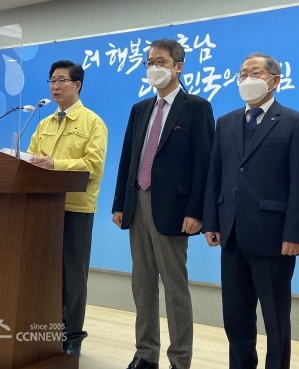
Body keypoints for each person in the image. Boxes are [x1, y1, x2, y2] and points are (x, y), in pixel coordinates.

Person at [202, 53, 299, 369]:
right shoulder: (226, 122)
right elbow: (215, 175)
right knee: (235, 316)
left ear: (274, 80)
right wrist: (211, 220)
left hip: (274, 238)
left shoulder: (295, 122)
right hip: (232, 233)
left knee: (275, 319)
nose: (247, 79)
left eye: (256, 72)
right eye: (243, 73)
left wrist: (295, 234)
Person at [112, 38, 214, 369]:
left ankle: (179, 359)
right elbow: (128, 159)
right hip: (137, 203)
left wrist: (196, 211)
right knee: (142, 285)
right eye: (150, 63)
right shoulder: (140, 109)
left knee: (174, 287)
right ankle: (145, 354)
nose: (154, 68)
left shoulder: (196, 107)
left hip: (173, 209)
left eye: (161, 62)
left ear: (178, 67)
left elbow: (204, 163)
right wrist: (119, 203)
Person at [27, 60, 108, 357]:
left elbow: (93, 166)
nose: (55, 86)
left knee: (72, 277)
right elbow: (31, 160)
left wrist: (55, 165)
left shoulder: (93, 123)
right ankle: (48, 331)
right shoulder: (44, 123)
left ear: (77, 85)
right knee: (45, 274)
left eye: (62, 80)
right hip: (43, 208)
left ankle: (73, 336)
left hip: (75, 209)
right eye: (52, 80)